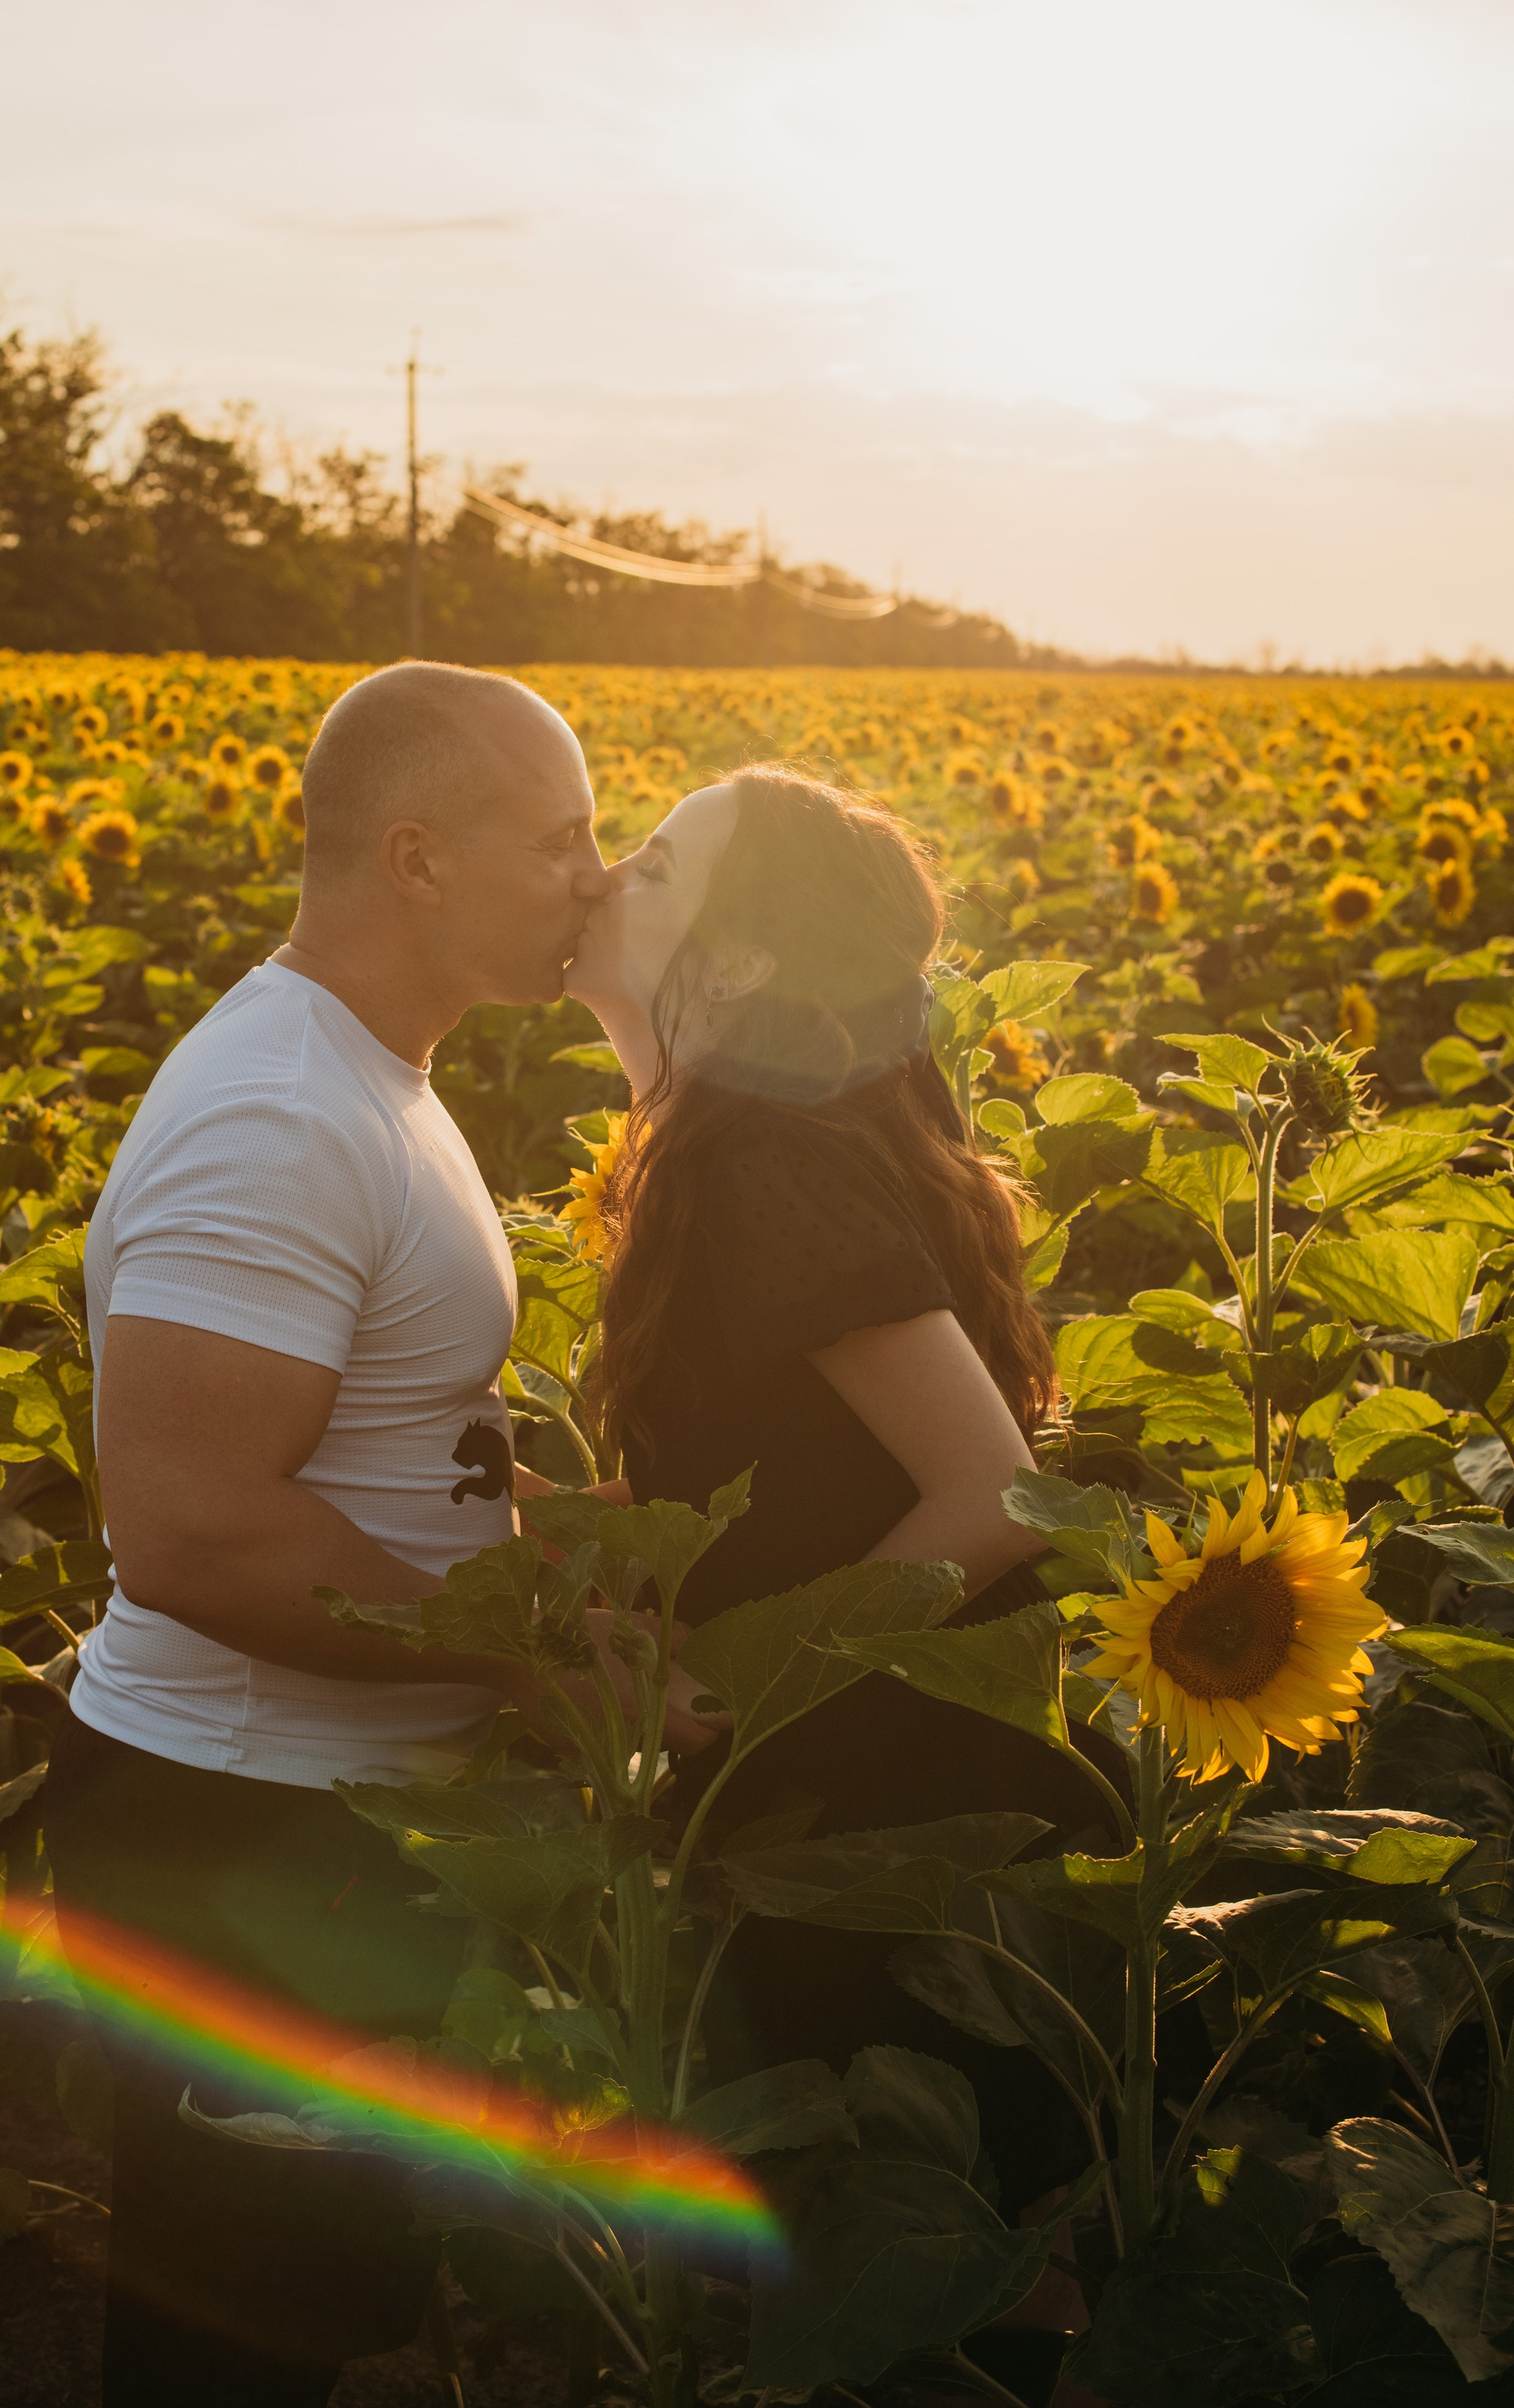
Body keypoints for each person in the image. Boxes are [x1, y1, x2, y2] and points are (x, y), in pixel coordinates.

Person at [41, 662, 712, 2408]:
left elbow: (421, 1451)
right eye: (560, 835)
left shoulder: (373, 1077)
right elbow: (194, 1527)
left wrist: (616, 1550)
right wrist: (537, 1659)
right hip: (242, 1824)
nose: (596, 874)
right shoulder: (279, 1112)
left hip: (319, 1812)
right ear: (415, 858)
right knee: (238, 2328)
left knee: (319, 2299)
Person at [563, 761, 1130, 2216]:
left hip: (902, 1795)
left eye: (654, 864)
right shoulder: (709, 1140)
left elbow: (996, 1491)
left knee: (908, 2239)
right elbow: (785, 1476)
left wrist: (747, 1681)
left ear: (739, 957)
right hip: (864, 1775)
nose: (605, 874)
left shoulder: (760, 1164)